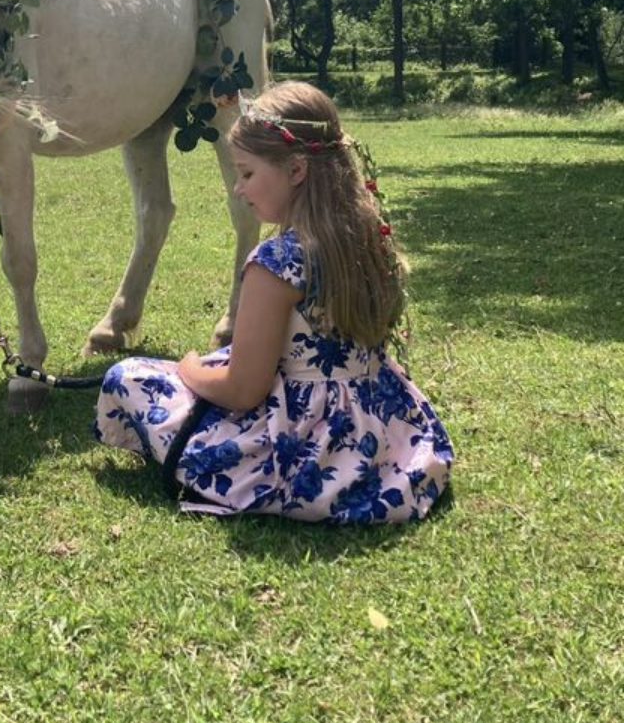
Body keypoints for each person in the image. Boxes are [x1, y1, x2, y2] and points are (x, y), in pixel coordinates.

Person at [94, 81, 453, 523]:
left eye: (247, 174)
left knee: (127, 376)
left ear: (296, 170)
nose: (238, 189)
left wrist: (189, 369)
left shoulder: (276, 262)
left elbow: (244, 390)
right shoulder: (367, 237)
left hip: (307, 444)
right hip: (384, 430)